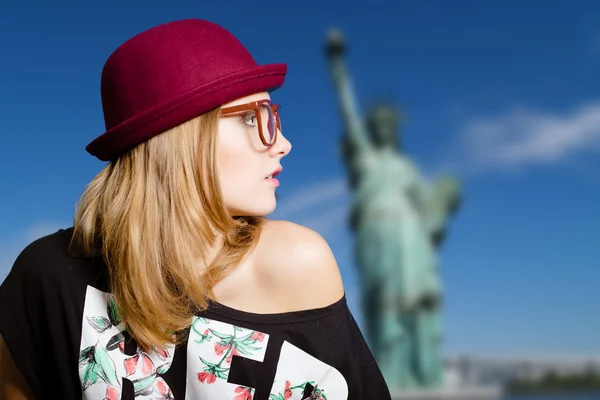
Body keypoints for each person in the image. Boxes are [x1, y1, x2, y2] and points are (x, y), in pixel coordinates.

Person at [0, 19, 391, 399]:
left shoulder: (295, 262)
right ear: (181, 138)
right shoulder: (46, 276)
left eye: (274, 116)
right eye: (255, 117)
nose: (283, 142)